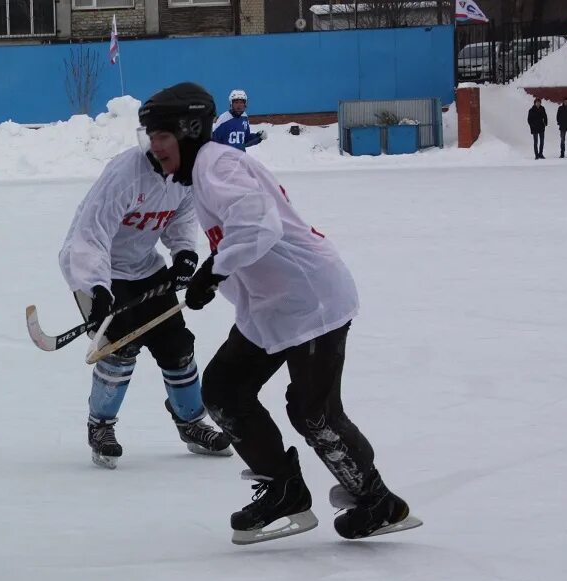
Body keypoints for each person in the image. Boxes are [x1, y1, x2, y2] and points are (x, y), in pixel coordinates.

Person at [139, 82, 420, 543]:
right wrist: (209, 273)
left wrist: (216, 269)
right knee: (225, 392)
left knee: (313, 412)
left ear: (188, 130)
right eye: (148, 136)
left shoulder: (216, 165)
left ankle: (377, 502)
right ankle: (284, 489)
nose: (154, 146)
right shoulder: (202, 174)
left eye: (160, 135)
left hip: (311, 301)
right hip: (270, 308)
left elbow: (259, 225)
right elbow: (240, 236)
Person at [57, 130, 230, 469]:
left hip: (144, 268)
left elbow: (182, 215)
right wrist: (97, 287)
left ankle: (191, 422)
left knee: (177, 346)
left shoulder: (184, 174)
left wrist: (183, 253)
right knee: (120, 348)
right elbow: (90, 235)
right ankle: (101, 426)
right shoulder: (124, 175)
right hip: (98, 268)